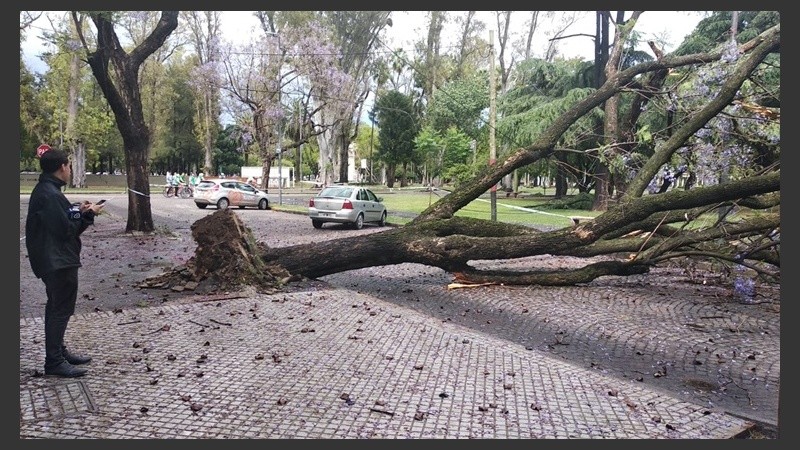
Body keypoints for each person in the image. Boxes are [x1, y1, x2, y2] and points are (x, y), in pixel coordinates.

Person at [25, 147, 105, 378]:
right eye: (69, 166)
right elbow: (66, 231)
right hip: (58, 261)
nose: (70, 169)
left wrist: (77, 210)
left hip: (54, 259)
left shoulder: (47, 190)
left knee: (55, 308)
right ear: (62, 167)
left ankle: (59, 351)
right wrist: (89, 215)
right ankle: (54, 362)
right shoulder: (50, 194)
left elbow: (60, 220)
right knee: (60, 310)